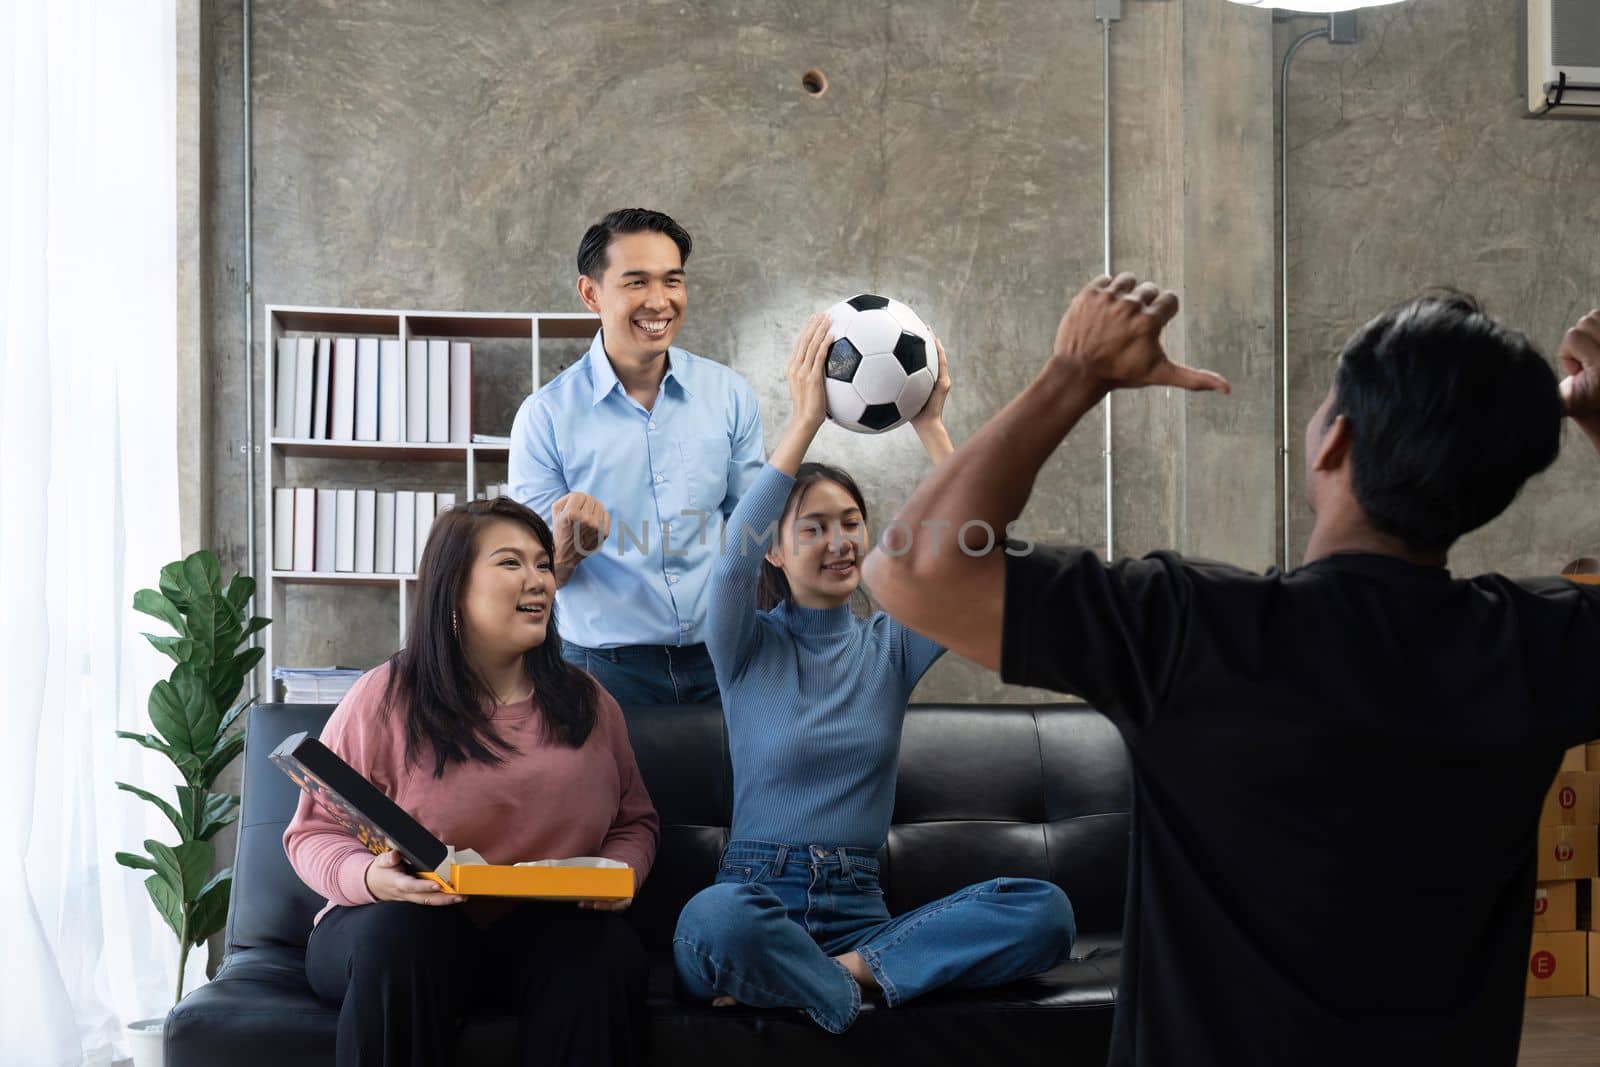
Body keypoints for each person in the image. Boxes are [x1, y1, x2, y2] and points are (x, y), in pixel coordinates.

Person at [864, 274, 1600, 1065]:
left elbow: (912, 569)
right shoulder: (1538, 646)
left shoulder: (1196, 630)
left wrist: (1075, 374)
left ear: (1334, 442)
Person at [671, 314, 1076, 1034]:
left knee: (1046, 910)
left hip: (862, 916)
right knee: (711, 920)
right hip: (756, 894)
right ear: (775, 550)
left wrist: (934, 427)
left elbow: (982, 556)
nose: (839, 540)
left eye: (850, 521)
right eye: (813, 526)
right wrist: (804, 422)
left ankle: (837, 981)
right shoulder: (743, 645)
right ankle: (848, 984)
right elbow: (731, 552)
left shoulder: (891, 645)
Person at [283, 497, 660, 1067]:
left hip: (543, 935)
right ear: (453, 589)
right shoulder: (386, 697)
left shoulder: (588, 703)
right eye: (511, 564)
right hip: (405, 926)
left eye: (541, 563)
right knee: (400, 939)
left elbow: (636, 821)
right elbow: (311, 834)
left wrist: (622, 873)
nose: (537, 579)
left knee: (605, 952)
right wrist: (372, 878)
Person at [508, 208, 765, 706]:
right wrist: (565, 552)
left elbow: (751, 530)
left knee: (728, 788)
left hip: (724, 660)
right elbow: (530, 580)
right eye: (636, 282)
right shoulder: (545, 418)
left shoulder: (729, 395)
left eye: (672, 281)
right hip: (604, 672)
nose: (659, 301)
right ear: (591, 294)